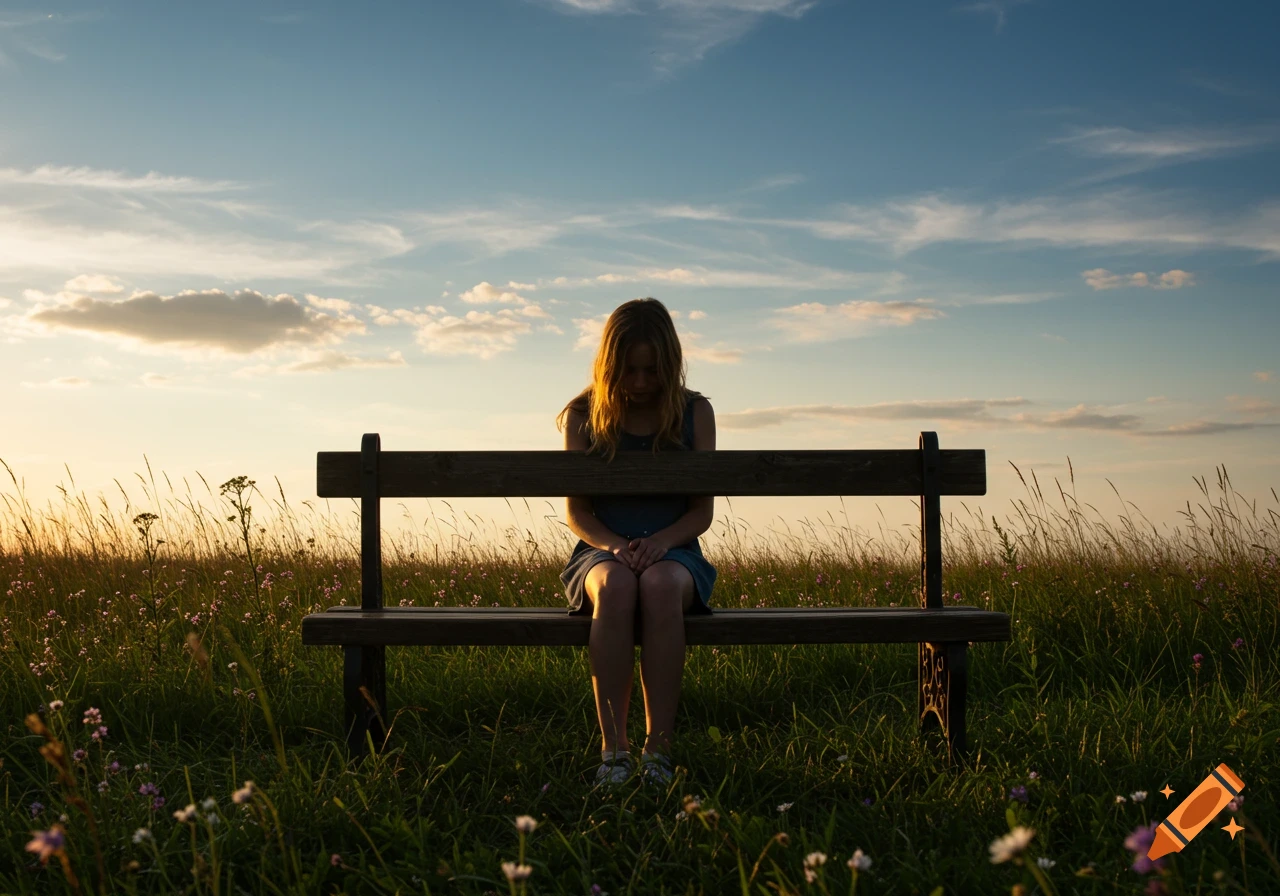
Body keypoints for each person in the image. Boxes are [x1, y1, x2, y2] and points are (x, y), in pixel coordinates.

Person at [554, 297, 718, 789]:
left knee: (662, 586)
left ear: (670, 365)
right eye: (630, 371)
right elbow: (578, 513)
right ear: (609, 365)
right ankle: (615, 753)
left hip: (676, 551)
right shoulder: (584, 415)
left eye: (652, 371)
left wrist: (660, 544)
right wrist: (615, 548)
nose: (642, 383)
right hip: (602, 553)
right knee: (619, 588)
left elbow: (700, 512)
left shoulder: (694, 413)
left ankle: (657, 754)